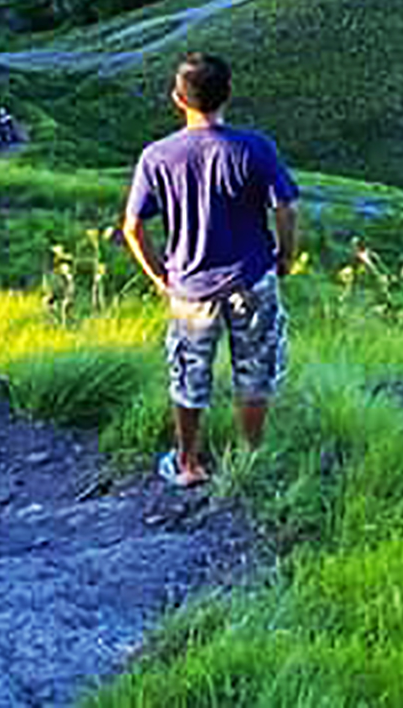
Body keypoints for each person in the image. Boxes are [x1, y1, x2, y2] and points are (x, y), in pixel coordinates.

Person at [122, 52, 299, 488]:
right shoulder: (256, 147)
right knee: (255, 371)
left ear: (177, 99)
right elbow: (287, 205)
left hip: (189, 286)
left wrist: (158, 274)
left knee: (189, 374)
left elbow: (132, 226)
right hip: (252, 276)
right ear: (228, 95)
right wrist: (285, 255)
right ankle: (250, 458)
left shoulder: (157, 155)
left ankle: (188, 463)